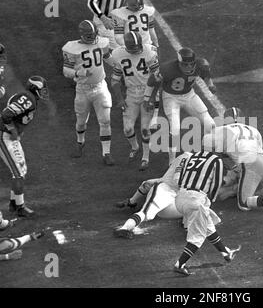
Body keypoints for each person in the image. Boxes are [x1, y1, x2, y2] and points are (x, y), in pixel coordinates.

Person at [202, 107, 263, 215]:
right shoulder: (253, 130)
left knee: (244, 204)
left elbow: (208, 152)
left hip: (249, 164)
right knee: (256, 191)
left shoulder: (221, 131)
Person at [143, 47, 217, 165]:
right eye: (185, 64)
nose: (188, 67)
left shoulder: (201, 65)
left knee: (211, 124)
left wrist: (210, 85)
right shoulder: (168, 69)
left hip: (189, 95)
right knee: (175, 129)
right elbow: (152, 81)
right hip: (171, 97)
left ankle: (206, 155)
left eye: (190, 64)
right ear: (179, 62)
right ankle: (171, 161)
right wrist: (148, 99)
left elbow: (206, 74)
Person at [172, 151, 241, 276]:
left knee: (208, 226)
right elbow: (216, 183)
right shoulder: (216, 160)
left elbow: (180, 178)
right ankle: (180, 264)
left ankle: (225, 253)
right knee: (197, 237)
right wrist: (212, 198)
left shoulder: (192, 156)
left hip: (180, 197)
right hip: (195, 199)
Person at [62, 20, 116, 166]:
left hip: (100, 87)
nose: (92, 38)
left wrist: (119, 65)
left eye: (93, 34)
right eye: (89, 35)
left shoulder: (102, 42)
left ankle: (106, 153)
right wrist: (79, 72)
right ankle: (80, 143)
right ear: (82, 34)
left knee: (105, 121)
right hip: (82, 89)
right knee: (81, 122)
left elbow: (107, 57)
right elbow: (66, 70)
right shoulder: (71, 48)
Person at [0, 76, 49, 217]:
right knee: (19, 173)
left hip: (9, 136)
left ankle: (14, 203)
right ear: (35, 89)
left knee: (22, 170)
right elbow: (5, 115)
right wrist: (14, 131)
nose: (45, 92)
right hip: (5, 136)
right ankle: (19, 207)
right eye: (42, 90)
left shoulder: (30, 98)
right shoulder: (28, 98)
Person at [113, 152, 192, 239]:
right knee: (147, 213)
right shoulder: (188, 157)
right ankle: (124, 228)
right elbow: (177, 179)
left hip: (173, 195)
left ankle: (188, 225)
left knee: (195, 204)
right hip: (167, 190)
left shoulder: (189, 158)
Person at [111, 31, 159, 169]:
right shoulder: (119, 54)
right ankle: (135, 147)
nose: (137, 50)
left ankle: (145, 158)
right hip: (131, 93)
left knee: (144, 128)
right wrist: (120, 99)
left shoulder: (149, 52)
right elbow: (114, 80)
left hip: (147, 91)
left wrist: (152, 99)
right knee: (127, 129)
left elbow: (157, 78)